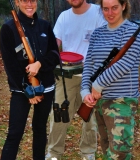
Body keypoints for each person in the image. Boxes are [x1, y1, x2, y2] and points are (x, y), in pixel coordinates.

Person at [80, 0, 140, 159]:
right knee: (106, 147)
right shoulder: (97, 33)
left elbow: (125, 64)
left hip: (122, 101)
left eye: (114, 8)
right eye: (105, 8)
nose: (110, 13)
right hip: (99, 101)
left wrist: (98, 84)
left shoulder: (133, 32)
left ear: (123, 6)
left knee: (119, 153)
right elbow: (89, 64)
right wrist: (85, 91)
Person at [46, 0, 107, 160]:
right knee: (58, 114)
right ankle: (53, 153)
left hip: (92, 76)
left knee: (90, 118)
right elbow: (54, 45)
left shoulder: (99, 13)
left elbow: (108, 43)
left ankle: (88, 153)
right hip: (66, 75)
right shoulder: (63, 17)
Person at [0, 0, 59, 159]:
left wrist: (39, 64)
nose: (29, 4)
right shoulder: (8, 29)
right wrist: (28, 90)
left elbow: (55, 55)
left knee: (40, 130)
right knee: (14, 134)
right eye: (25, 0)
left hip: (46, 88)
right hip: (21, 91)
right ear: (17, 2)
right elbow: (10, 66)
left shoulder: (45, 26)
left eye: (33, 0)